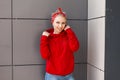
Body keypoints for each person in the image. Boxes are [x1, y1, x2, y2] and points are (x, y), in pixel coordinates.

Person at [40, 8, 80, 80]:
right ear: (52, 22)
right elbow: (45, 55)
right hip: (52, 76)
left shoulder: (68, 34)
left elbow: (75, 48)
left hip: (68, 75)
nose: (60, 26)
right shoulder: (47, 37)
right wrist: (44, 39)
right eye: (57, 22)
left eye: (63, 23)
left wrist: (69, 31)